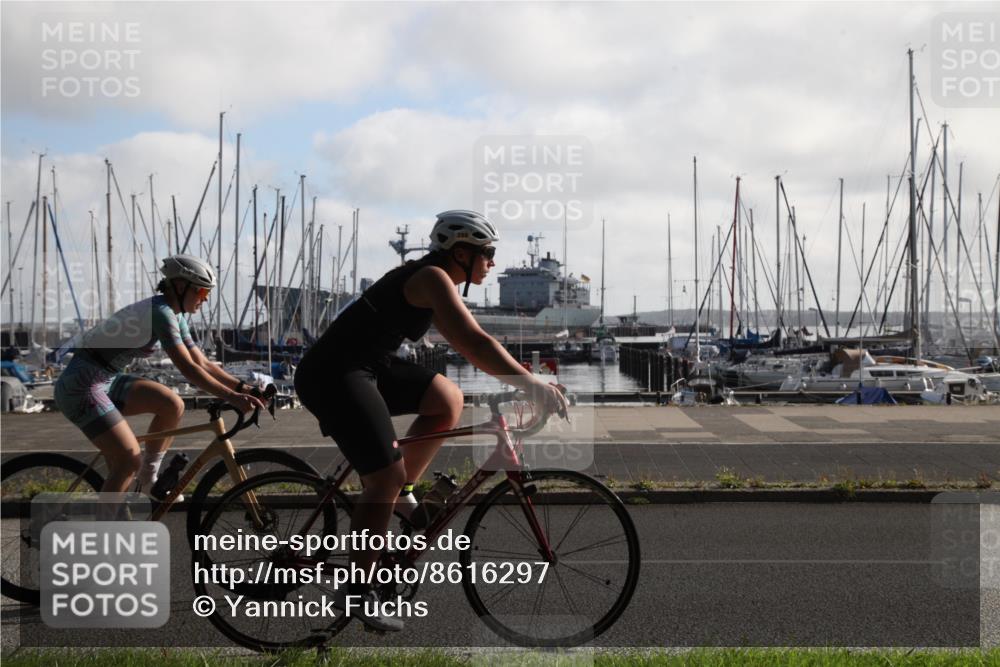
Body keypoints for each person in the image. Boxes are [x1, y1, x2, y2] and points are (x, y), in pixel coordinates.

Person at [294, 210, 567, 632]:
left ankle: (402, 491)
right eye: (487, 253)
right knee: (380, 479)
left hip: (369, 365)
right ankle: (358, 591)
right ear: (461, 252)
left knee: (447, 398)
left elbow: (471, 340)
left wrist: (525, 381)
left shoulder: (439, 279)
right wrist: (532, 384)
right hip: (333, 373)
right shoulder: (433, 278)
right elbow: (474, 341)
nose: (492, 263)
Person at [54, 254, 266, 497]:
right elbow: (188, 368)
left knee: (172, 404)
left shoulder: (174, 314)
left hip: (105, 380)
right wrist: (231, 396)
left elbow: (202, 362)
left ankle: (148, 478)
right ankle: (106, 533)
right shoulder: (160, 313)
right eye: (201, 292)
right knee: (128, 461)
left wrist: (243, 389)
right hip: (81, 388)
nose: (205, 299)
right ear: (179, 286)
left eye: (207, 294)